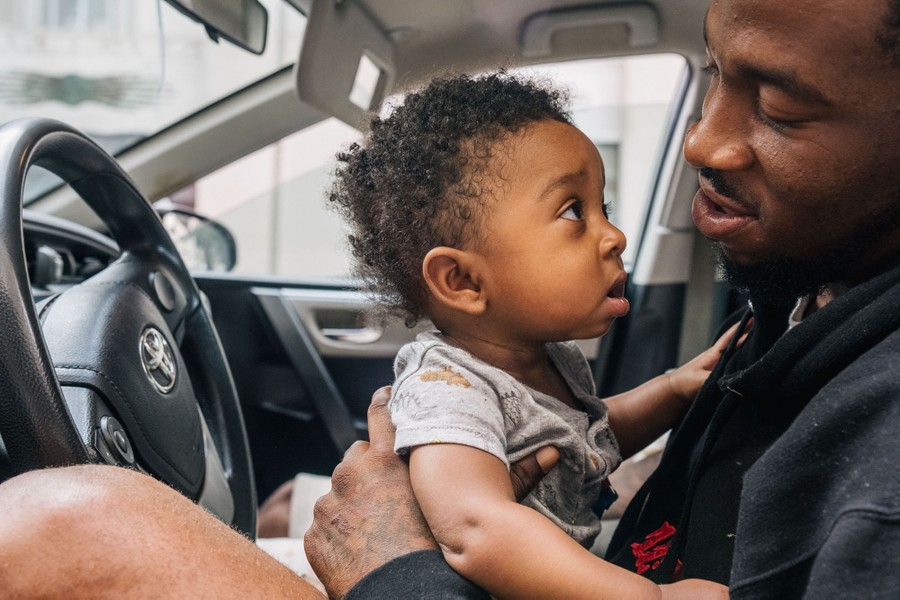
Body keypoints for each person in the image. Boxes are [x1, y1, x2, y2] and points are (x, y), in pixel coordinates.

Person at [1, 0, 900, 597]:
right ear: (463, 281)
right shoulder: (460, 387)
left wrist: (396, 571)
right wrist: (676, 401)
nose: (704, 139)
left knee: (63, 524)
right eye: (711, 73)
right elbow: (489, 513)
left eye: (779, 107)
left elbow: (483, 526)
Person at [327, 71, 736, 599]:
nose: (614, 235)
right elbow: (479, 532)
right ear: (464, 281)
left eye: (602, 209)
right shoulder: (448, 390)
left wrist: (675, 389)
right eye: (573, 212)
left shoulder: (550, 360)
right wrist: (646, 596)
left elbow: (587, 442)